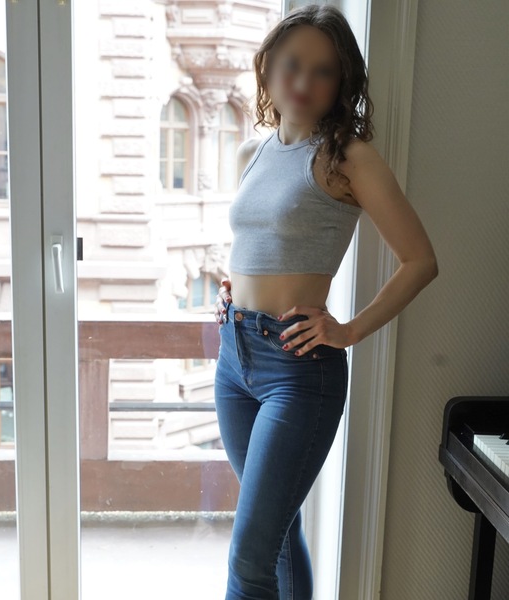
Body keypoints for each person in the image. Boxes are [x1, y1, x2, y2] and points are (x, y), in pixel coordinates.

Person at [212, 4, 438, 600]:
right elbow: (262, 238)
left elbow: (420, 260)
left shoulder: (348, 158)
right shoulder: (252, 153)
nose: (303, 82)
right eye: (292, 64)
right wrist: (237, 286)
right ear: (268, 67)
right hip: (234, 358)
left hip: (296, 369)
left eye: (323, 71)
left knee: (249, 558)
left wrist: (350, 329)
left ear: (342, 83)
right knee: (279, 537)